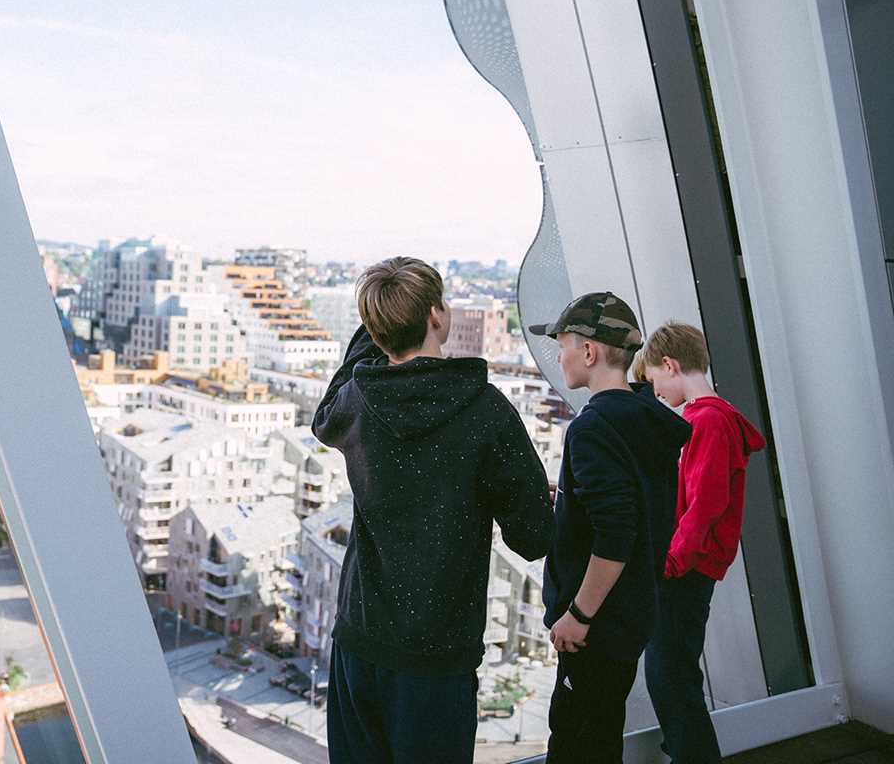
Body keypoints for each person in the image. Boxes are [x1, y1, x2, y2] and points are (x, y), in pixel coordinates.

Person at [313, 257, 553, 764]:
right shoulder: (486, 410)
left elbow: (325, 411)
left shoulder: (355, 401)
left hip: (359, 639)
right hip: (437, 655)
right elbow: (533, 537)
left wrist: (378, 324)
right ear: (437, 316)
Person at [527, 292, 689, 763]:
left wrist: (577, 616)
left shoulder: (593, 427)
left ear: (590, 352)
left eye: (563, 345)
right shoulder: (644, 418)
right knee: (600, 733)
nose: (559, 356)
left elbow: (617, 535)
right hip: (632, 611)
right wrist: (572, 501)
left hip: (596, 624)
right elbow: (638, 504)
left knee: (576, 743)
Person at [636, 322, 767, 764]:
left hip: (686, 567)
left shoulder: (706, 420)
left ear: (670, 365)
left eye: (655, 380)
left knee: (668, 673)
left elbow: (705, 504)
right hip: (693, 565)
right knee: (674, 670)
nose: (656, 392)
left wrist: (670, 562)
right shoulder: (709, 417)